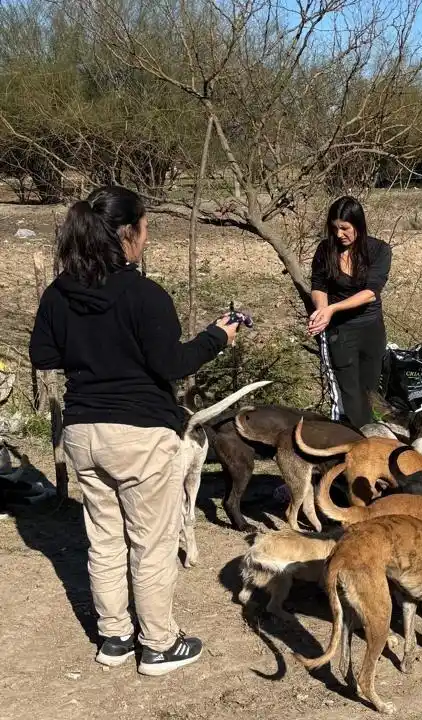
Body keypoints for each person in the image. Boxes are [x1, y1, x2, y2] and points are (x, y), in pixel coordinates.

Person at [29, 186, 240, 676]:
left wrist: (90, 354)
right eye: (145, 227)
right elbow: (172, 363)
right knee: (151, 542)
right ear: (128, 233)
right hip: (140, 435)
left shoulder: (59, 292)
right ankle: (159, 645)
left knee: (104, 540)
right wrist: (218, 336)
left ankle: (115, 637)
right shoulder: (145, 295)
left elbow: (43, 355)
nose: (146, 236)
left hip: (83, 433)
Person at [307, 196, 392, 427]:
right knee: (349, 393)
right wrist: (323, 312)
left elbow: (370, 292)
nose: (338, 234)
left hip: (371, 329)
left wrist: (333, 308)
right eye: (334, 228)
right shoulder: (325, 250)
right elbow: (318, 286)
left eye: (344, 228)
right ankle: (352, 438)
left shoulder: (379, 250)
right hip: (340, 332)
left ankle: (371, 437)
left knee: (369, 390)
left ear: (358, 225)